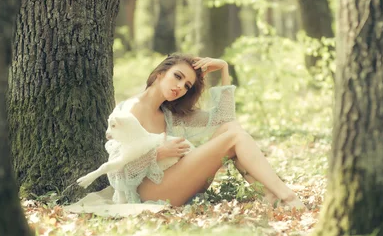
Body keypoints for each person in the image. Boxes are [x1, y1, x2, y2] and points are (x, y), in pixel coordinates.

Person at [106, 53, 306, 210]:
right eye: (177, 76)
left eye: (186, 85)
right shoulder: (131, 109)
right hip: (150, 191)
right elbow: (117, 169)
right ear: (160, 73)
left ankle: (270, 196)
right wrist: (159, 153)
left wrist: (223, 68)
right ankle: (287, 197)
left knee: (232, 129)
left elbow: (224, 119)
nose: (180, 87)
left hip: (180, 182)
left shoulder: (169, 114)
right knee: (235, 136)